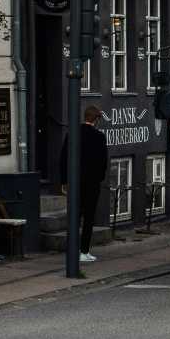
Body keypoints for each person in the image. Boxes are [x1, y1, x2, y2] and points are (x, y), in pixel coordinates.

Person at [60, 105, 108, 263]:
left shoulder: (73, 133)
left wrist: (64, 180)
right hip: (92, 183)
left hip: (75, 181)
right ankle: (84, 250)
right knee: (88, 217)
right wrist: (99, 178)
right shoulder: (99, 137)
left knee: (75, 215)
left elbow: (63, 158)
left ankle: (72, 248)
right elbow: (103, 162)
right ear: (96, 120)